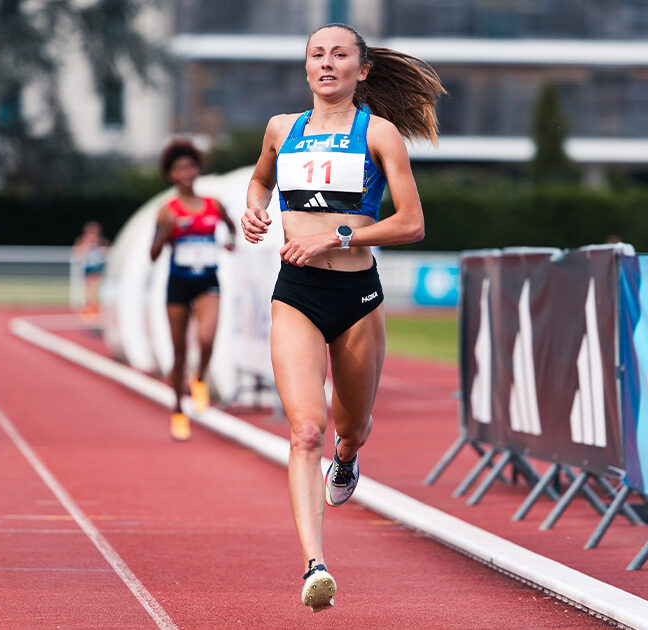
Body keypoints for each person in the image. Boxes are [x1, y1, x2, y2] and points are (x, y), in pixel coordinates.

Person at [240, 23, 444, 613]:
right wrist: (254, 210)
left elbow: (411, 223)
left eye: (339, 54)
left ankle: (349, 458)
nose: (327, 63)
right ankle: (315, 566)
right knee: (306, 430)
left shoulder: (378, 134)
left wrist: (338, 235)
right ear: (306, 67)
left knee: (349, 427)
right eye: (317, 54)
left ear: (362, 69)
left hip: (357, 297)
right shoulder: (282, 129)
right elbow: (260, 180)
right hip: (297, 293)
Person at [150, 139, 237, 441]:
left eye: (190, 166)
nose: (186, 172)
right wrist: (166, 231)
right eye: (179, 168)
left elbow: (231, 227)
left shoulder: (213, 205)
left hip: (208, 280)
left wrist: (229, 243)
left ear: (197, 169)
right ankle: (177, 409)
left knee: (207, 337)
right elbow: (153, 254)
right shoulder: (166, 211)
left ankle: (199, 378)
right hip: (178, 283)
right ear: (171, 175)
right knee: (179, 352)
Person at [72, 221, 109, 320]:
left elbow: (108, 252)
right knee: (88, 290)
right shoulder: (83, 242)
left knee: (94, 289)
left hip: (97, 268)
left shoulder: (101, 242)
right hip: (87, 268)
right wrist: (87, 244)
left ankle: (94, 309)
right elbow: (77, 253)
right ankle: (89, 308)